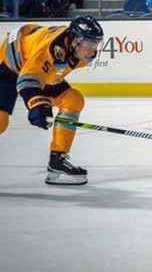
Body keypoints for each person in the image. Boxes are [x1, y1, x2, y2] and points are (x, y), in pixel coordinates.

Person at [0, 16, 104, 185]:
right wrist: (38, 104)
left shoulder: (75, 50)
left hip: (37, 71)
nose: (93, 50)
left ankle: (57, 159)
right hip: (7, 67)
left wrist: (42, 103)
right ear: (75, 41)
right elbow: (28, 78)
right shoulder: (52, 49)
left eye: (96, 44)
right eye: (89, 45)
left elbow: (45, 75)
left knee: (73, 100)